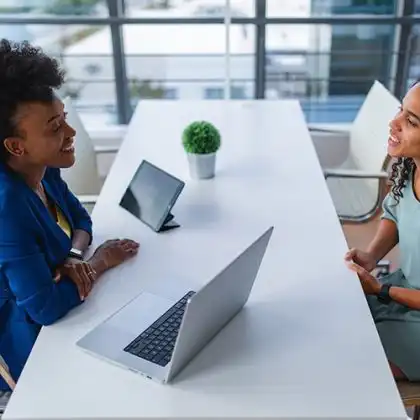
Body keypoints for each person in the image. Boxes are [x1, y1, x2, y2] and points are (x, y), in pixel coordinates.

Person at [0, 39, 139, 390]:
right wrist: (100, 262)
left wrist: (74, 258)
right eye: (54, 127)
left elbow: (82, 221)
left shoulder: (45, 169)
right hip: (31, 343)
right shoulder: (7, 209)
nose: (71, 132)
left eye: (63, 118)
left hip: (72, 310)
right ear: (16, 146)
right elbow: (44, 308)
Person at [344, 79, 420, 382]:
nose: (394, 122)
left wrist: (381, 290)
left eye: (411, 121)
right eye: (401, 109)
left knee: (352, 363)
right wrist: (372, 254)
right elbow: (395, 209)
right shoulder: (412, 167)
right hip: (403, 292)